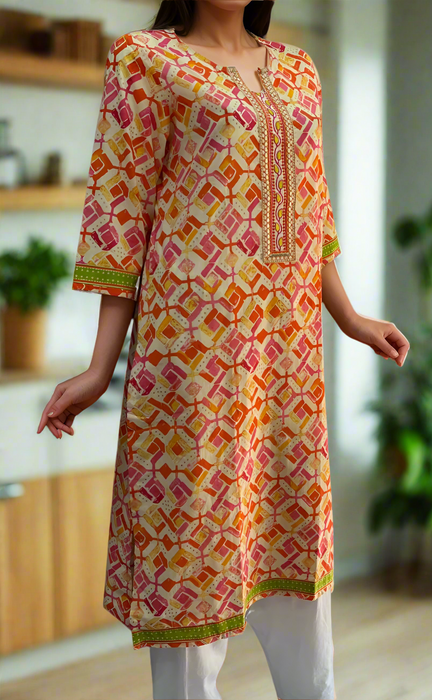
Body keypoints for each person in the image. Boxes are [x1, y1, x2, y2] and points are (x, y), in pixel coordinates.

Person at [37, 1, 410, 698]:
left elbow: (311, 207)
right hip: (191, 349)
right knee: (192, 542)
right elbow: (122, 210)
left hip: (286, 352)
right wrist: (99, 367)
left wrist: (351, 317)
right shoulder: (146, 60)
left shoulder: (297, 69)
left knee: (294, 541)